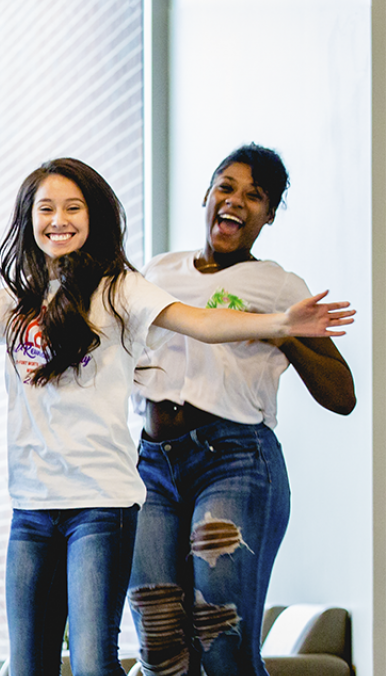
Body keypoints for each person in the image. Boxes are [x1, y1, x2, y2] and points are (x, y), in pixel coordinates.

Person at [0, 159, 352, 676]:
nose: (58, 219)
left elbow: (202, 322)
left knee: (146, 650)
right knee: (98, 657)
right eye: (46, 208)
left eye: (73, 207)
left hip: (153, 484)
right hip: (76, 489)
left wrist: (282, 323)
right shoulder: (29, 300)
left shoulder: (128, 289)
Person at [126, 144, 355, 676]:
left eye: (255, 195)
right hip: (152, 469)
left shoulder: (279, 286)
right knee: (159, 648)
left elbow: (342, 395)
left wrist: (284, 333)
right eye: (225, 187)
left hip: (234, 461)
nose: (235, 201)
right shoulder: (157, 271)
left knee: (221, 641)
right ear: (206, 196)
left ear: (269, 215)